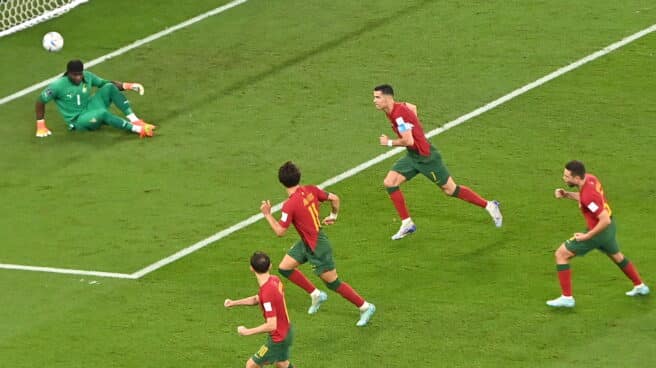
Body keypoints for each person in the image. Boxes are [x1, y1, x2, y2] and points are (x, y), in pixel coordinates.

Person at [373, 84, 503, 240]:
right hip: (413, 156)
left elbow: (408, 140)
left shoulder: (398, 115)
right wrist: (414, 125)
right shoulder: (396, 109)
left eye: (377, 97)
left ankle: (489, 205)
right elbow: (412, 107)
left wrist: (388, 142)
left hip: (426, 158)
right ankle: (407, 223)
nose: (374, 100)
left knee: (451, 190)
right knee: (390, 182)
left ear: (387, 98)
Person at [260, 161, 376, 327]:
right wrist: (333, 216)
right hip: (307, 242)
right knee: (284, 267)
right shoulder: (311, 189)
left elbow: (280, 231)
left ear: (281, 181)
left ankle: (365, 306)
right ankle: (316, 294)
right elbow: (335, 198)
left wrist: (267, 214)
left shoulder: (289, 205)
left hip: (317, 247)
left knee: (333, 283)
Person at [546, 160, 649, 308]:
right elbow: (590, 202)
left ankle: (567, 298)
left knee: (561, 254)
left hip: (598, 231)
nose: (564, 178)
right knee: (617, 256)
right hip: (609, 230)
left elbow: (604, 219)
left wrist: (587, 236)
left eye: (567, 176)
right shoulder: (590, 179)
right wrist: (567, 194)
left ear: (576, 178)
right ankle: (640, 286)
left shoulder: (588, 195)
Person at [35, 59, 155, 138]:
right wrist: (41, 125)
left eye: (80, 74)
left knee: (109, 87)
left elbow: (105, 83)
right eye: (74, 75)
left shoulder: (87, 76)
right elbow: (40, 100)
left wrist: (127, 86)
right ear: (68, 73)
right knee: (102, 113)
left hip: (90, 108)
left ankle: (135, 120)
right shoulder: (58, 85)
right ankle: (138, 130)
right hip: (78, 120)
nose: (78, 77)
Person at [224, 251, 296, 368]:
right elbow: (257, 299)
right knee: (282, 363)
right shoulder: (275, 280)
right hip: (287, 331)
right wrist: (234, 303)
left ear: (251, 268)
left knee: (251, 365)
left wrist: (247, 331)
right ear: (270, 266)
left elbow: (271, 325)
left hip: (278, 338)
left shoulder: (267, 292)